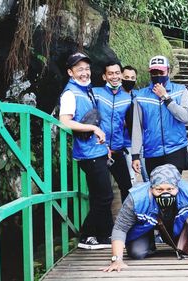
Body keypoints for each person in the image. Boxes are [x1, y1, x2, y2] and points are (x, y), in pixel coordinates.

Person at [102, 164, 188, 272]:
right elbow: (120, 228)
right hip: (143, 226)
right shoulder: (136, 198)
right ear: (151, 188)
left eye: (170, 189)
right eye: (159, 190)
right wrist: (116, 260)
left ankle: (174, 235)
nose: (165, 194)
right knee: (137, 253)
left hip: (174, 222)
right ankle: (150, 241)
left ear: (178, 186)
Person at [59, 52, 113, 249]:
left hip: (96, 151)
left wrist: (104, 146)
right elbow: (64, 121)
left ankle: (104, 235)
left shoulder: (86, 90)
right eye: (79, 69)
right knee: (106, 196)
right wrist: (93, 129)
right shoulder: (70, 93)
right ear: (70, 72)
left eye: (87, 68)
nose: (84, 72)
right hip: (87, 154)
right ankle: (86, 234)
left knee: (100, 196)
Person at [131, 55, 188, 175]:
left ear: (168, 71)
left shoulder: (180, 91)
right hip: (152, 151)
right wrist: (135, 155)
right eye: (154, 72)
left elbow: (185, 117)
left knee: (173, 187)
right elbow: (137, 127)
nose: (158, 75)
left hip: (176, 149)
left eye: (161, 71)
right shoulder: (141, 96)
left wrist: (166, 97)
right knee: (155, 188)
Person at [92, 61, 133, 203]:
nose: (114, 76)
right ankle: (102, 225)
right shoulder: (95, 93)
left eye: (117, 73)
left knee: (127, 188)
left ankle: (126, 222)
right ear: (104, 76)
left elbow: (131, 125)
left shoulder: (128, 98)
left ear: (121, 75)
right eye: (110, 73)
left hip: (117, 150)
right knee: (101, 193)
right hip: (99, 150)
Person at [121, 65, 149, 183]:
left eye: (133, 77)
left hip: (142, 143)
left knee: (148, 177)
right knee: (131, 179)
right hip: (126, 144)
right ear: (121, 77)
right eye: (126, 77)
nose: (130, 80)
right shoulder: (117, 97)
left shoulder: (139, 96)